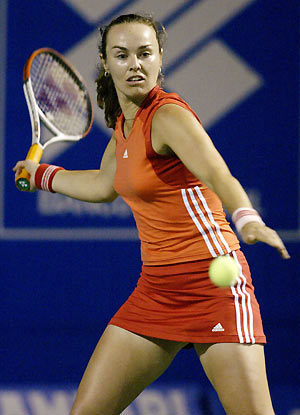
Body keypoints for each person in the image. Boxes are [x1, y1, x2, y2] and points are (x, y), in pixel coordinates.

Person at [14, 13, 290, 415]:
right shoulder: (125, 123)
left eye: (145, 53)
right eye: (122, 55)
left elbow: (217, 172)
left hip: (213, 285)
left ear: (161, 58)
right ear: (106, 64)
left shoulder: (168, 116)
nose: (135, 64)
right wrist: (41, 174)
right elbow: (105, 185)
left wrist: (247, 218)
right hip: (156, 291)